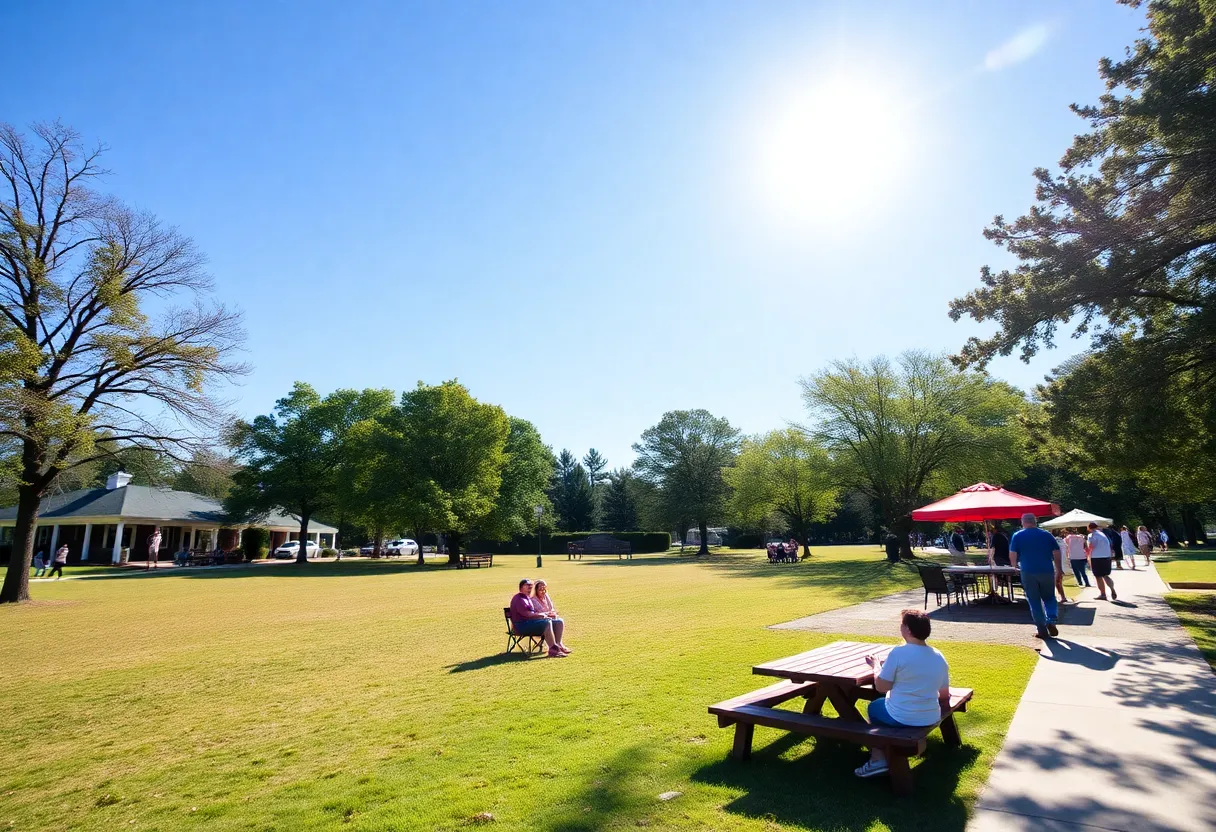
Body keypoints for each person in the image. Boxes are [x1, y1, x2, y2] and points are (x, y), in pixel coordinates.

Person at [854, 609, 950, 779]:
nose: (900, 627)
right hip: (930, 716)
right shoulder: (938, 656)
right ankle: (884, 752)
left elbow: (881, 687)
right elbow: (944, 696)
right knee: (885, 706)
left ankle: (877, 758)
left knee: (874, 707)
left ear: (908, 630)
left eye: (902, 624)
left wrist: (876, 666)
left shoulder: (898, 653)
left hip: (902, 716)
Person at [1009, 513, 1062, 639]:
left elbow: (1013, 553)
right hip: (1046, 570)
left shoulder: (1018, 535)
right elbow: (1056, 552)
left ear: (1023, 522)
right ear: (1035, 521)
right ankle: (1051, 619)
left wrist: (1014, 566)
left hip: (1027, 571)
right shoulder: (1046, 535)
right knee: (1049, 597)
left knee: (1034, 600)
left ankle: (1041, 629)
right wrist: (1059, 569)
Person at [508, 579, 567, 658]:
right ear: (521, 588)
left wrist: (545, 614)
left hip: (529, 623)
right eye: (527, 585)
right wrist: (542, 615)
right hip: (521, 626)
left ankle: (558, 645)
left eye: (531, 586)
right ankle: (553, 650)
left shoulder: (527, 598)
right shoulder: (519, 599)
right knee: (547, 622)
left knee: (558, 621)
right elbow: (527, 614)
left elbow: (532, 614)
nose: (530, 587)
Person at [532, 580, 571, 653]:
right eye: (540, 589)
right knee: (553, 621)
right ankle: (553, 647)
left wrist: (552, 613)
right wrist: (549, 613)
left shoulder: (545, 596)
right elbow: (540, 611)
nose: (543, 591)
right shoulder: (533, 599)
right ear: (535, 590)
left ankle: (559, 644)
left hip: (548, 618)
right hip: (539, 621)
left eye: (544, 589)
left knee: (560, 621)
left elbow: (551, 608)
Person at [1087, 522, 1117, 601]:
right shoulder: (1103, 534)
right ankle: (1112, 589)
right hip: (1106, 556)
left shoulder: (1091, 535)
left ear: (1089, 528)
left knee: (1098, 576)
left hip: (1096, 557)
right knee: (1105, 575)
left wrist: (1087, 554)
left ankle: (1103, 594)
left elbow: (1091, 546)